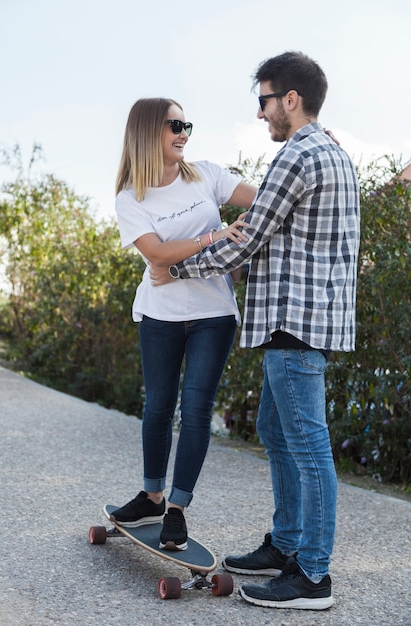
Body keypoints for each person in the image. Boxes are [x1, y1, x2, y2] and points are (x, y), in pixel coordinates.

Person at [151, 52, 360, 609]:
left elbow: (248, 239)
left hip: (294, 320)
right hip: (306, 316)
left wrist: (176, 268)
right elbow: (278, 241)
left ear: (290, 100)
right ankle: (286, 545)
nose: (262, 113)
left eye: (264, 101)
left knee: (310, 447)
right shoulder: (331, 150)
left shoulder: (297, 156)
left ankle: (311, 575)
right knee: (275, 427)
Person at [111, 97, 257, 551]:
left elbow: (268, 200)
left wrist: (311, 157)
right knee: (158, 406)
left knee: (196, 411)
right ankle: (152, 494)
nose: (183, 132)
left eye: (186, 124)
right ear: (147, 131)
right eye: (174, 124)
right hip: (161, 315)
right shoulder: (130, 197)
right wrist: (215, 236)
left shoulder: (207, 175)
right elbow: (155, 254)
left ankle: (176, 508)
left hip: (213, 314)